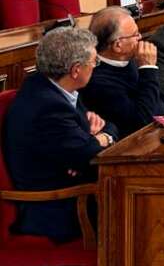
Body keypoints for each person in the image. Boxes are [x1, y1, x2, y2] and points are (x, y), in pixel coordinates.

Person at [2, 28, 117, 243]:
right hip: (57, 208)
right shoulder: (48, 106)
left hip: (72, 183)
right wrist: (100, 139)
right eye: (94, 61)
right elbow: (91, 156)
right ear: (76, 70)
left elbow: (105, 127)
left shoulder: (52, 86)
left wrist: (96, 139)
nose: (96, 66)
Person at [80, 6, 164, 137]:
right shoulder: (97, 81)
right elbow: (141, 121)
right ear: (117, 45)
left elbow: (151, 93)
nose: (140, 37)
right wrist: (148, 68)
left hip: (161, 127)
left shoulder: (128, 59)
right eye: (135, 34)